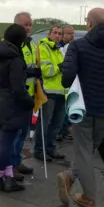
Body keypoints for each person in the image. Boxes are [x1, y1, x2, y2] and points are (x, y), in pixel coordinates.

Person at [57, 8, 104, 207]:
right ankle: (69, 178)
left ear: (89, 23)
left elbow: (66, 79)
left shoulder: (77, 46)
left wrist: (68, 70)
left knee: (84, 152)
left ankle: (88, 196)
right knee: (88, 151)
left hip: (82, 109)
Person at [0, 24, 34, 192]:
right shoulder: (15, 59)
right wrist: (29, 101)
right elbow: (18, 88)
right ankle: (0, 178)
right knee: (7, 144)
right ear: (20, 40)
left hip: (1, 102)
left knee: (5, 142)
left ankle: (5, 179)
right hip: (14, 105)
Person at [11, 12, 42, 179]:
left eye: (30, 25)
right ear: (17, 25)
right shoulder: (12, 44)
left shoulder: (30, 44)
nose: (29, 28)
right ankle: (11, 166)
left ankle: (17, 161)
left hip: (29, 95)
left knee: (23, 133)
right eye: (25, 25)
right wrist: (30, 71)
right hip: (17, 97)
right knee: (14, 134)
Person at [33, 26, 67, 161]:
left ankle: (50, 148)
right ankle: (39, 150)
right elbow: (47, 71)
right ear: (49, 34)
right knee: (44, 123)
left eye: (60, 33)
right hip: (48, 92)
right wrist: (61, 66)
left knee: (57, 123)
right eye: (55, 33)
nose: (58, 35)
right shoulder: (44, 48)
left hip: (61, 92)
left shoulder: (58, 50)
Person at [56, 25, 75, 142]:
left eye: (72, 33)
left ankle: (64, 130)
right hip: (58, 84)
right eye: (68, 33)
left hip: (70, 84)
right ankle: (59, 131)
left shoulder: (73, 46)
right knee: (61, 111)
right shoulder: (58, 47)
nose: (71, 36)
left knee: (68, 109)